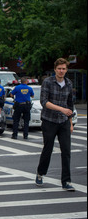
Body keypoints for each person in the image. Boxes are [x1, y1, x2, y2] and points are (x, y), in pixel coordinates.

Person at [36, 58, 75, 191]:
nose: (61, 71)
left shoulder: (69, 83)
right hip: (49, 120)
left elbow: (70, 105)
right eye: (59, 69)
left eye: (64, 69)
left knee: (66, 150)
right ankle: (40, 173)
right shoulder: (48, 82)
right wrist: (61, 109)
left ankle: (66, 181)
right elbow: (44, 102)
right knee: (48, 148)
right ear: (55, 70)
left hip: (63, 121)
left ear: (66, 70)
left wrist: (70, 122)